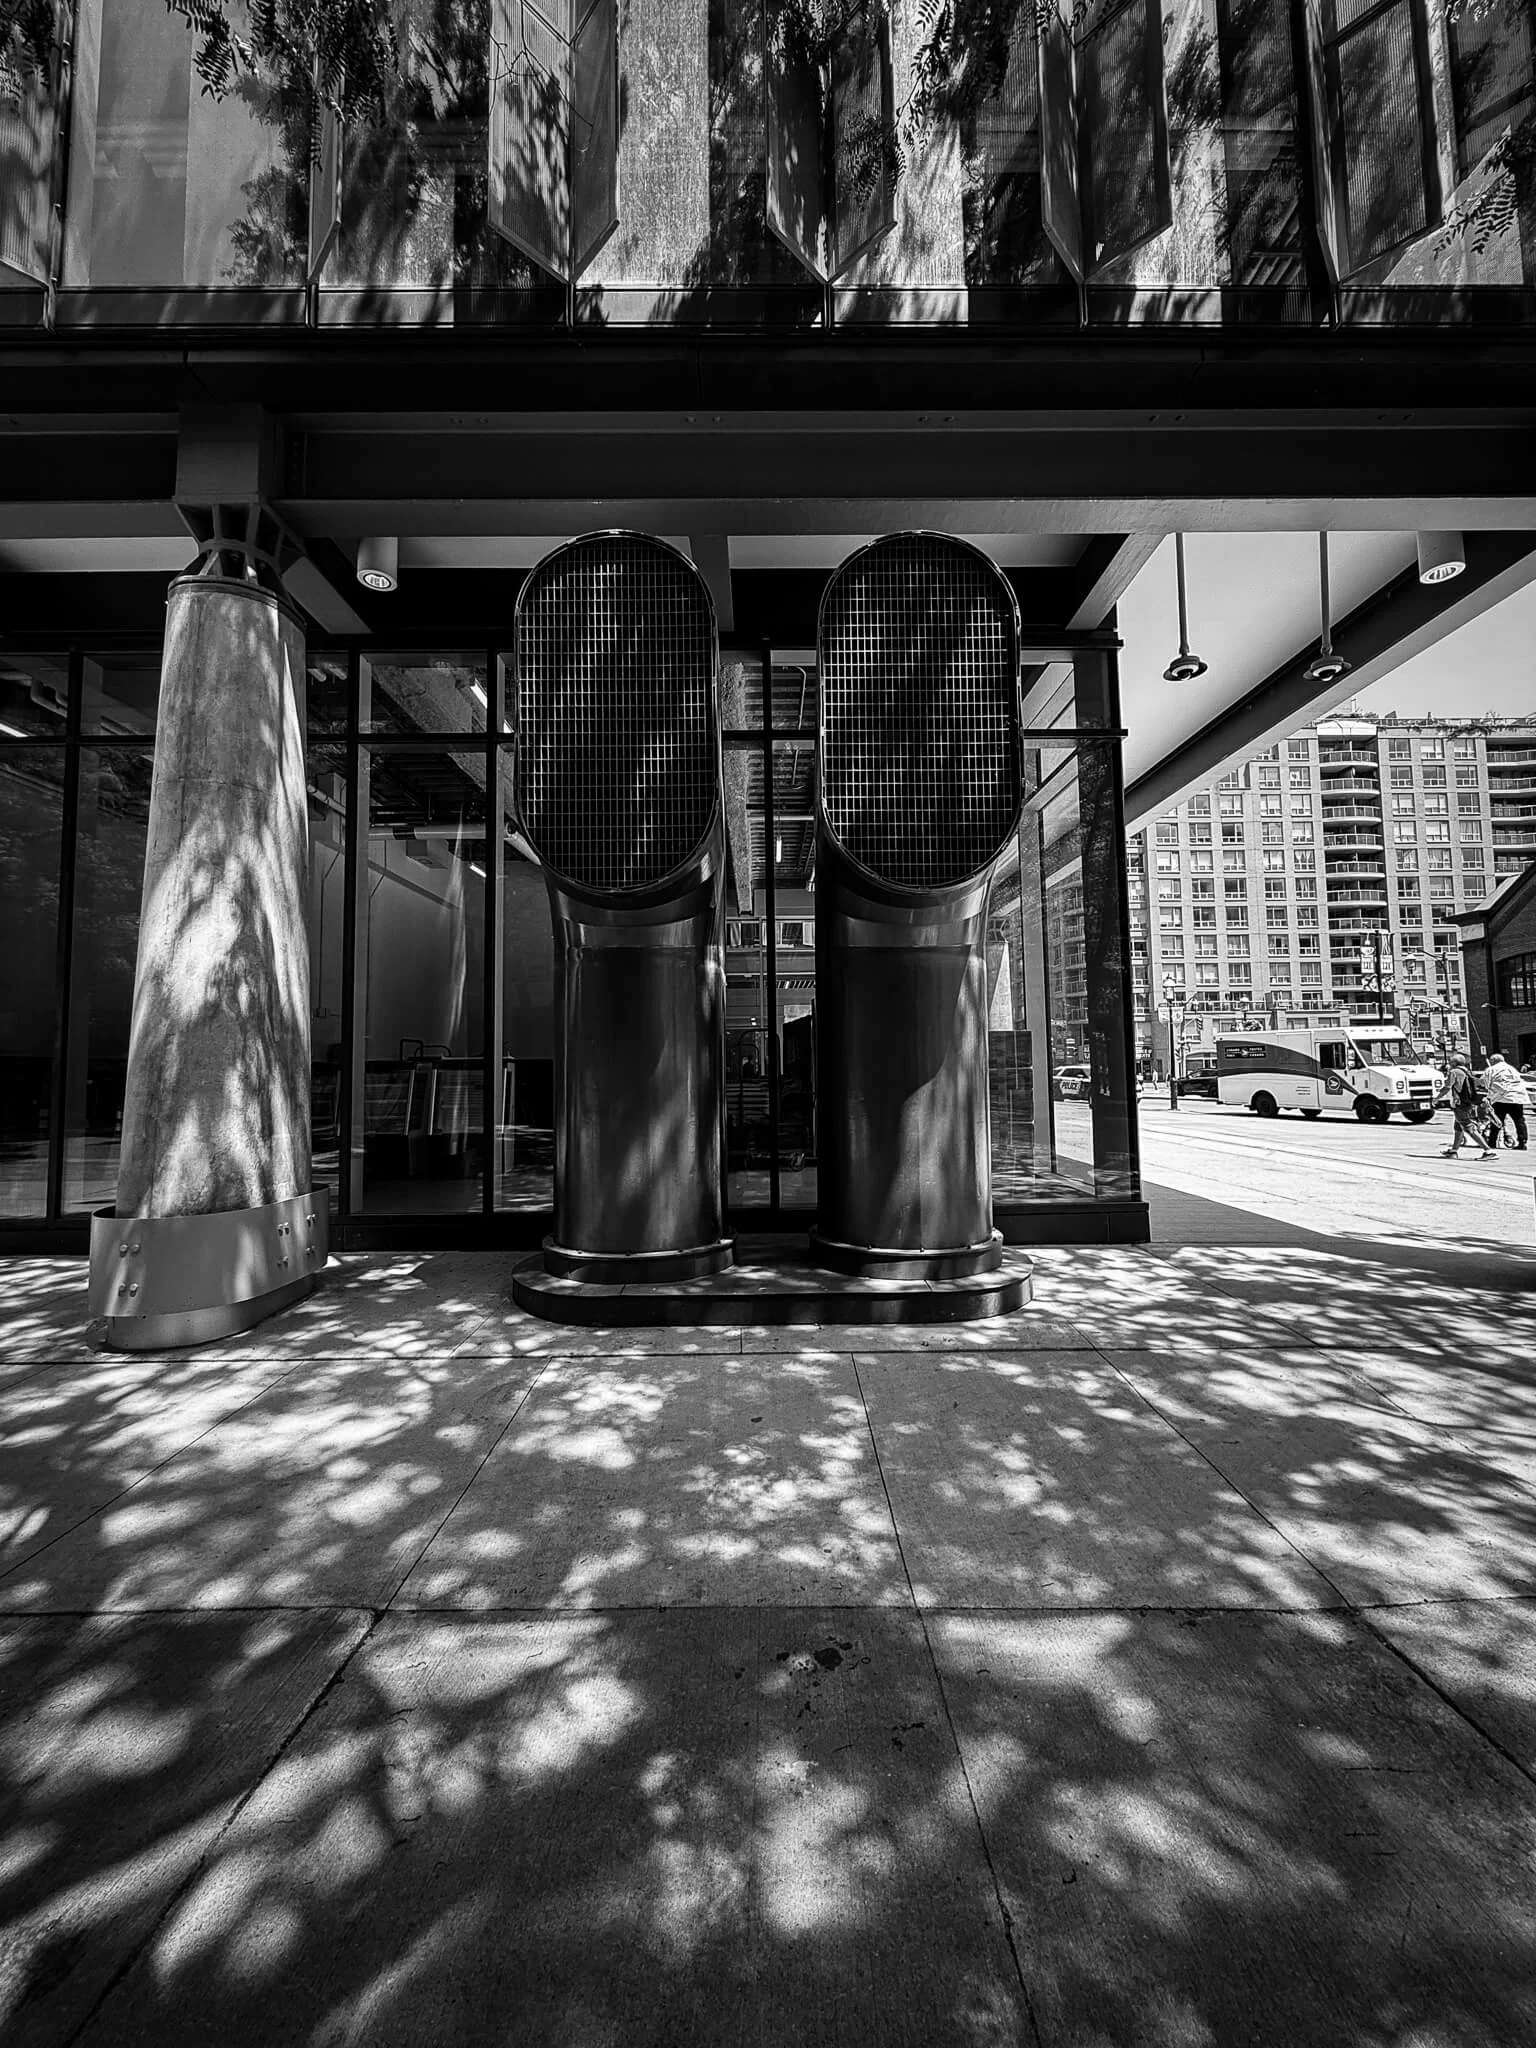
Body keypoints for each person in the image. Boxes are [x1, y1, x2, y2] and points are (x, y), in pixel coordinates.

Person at [1442, 1056, 1497, 1158]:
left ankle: (1488, 1151)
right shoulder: (1467, 1071)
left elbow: (1447, 1087)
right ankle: (1453, 1151)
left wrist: (1436, 1099)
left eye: (1450, 1061)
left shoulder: (1454, 1072)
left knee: (1468, 1127)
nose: (1449, 1064)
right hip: (1469, 1103)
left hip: (1460, 1104)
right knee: (1458, 1127)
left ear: (1454, 1062)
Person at [1484, 1052, 1529, 1151]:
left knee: (1496, 1121)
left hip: (1501, 1099)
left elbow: (1486, 1085)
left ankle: (1492, 1142)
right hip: (1517, 1097)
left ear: (1493, 1061)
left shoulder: (1491, 1069)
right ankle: (1522, 1142)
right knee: (1519, 1120)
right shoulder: (1512, 1069)